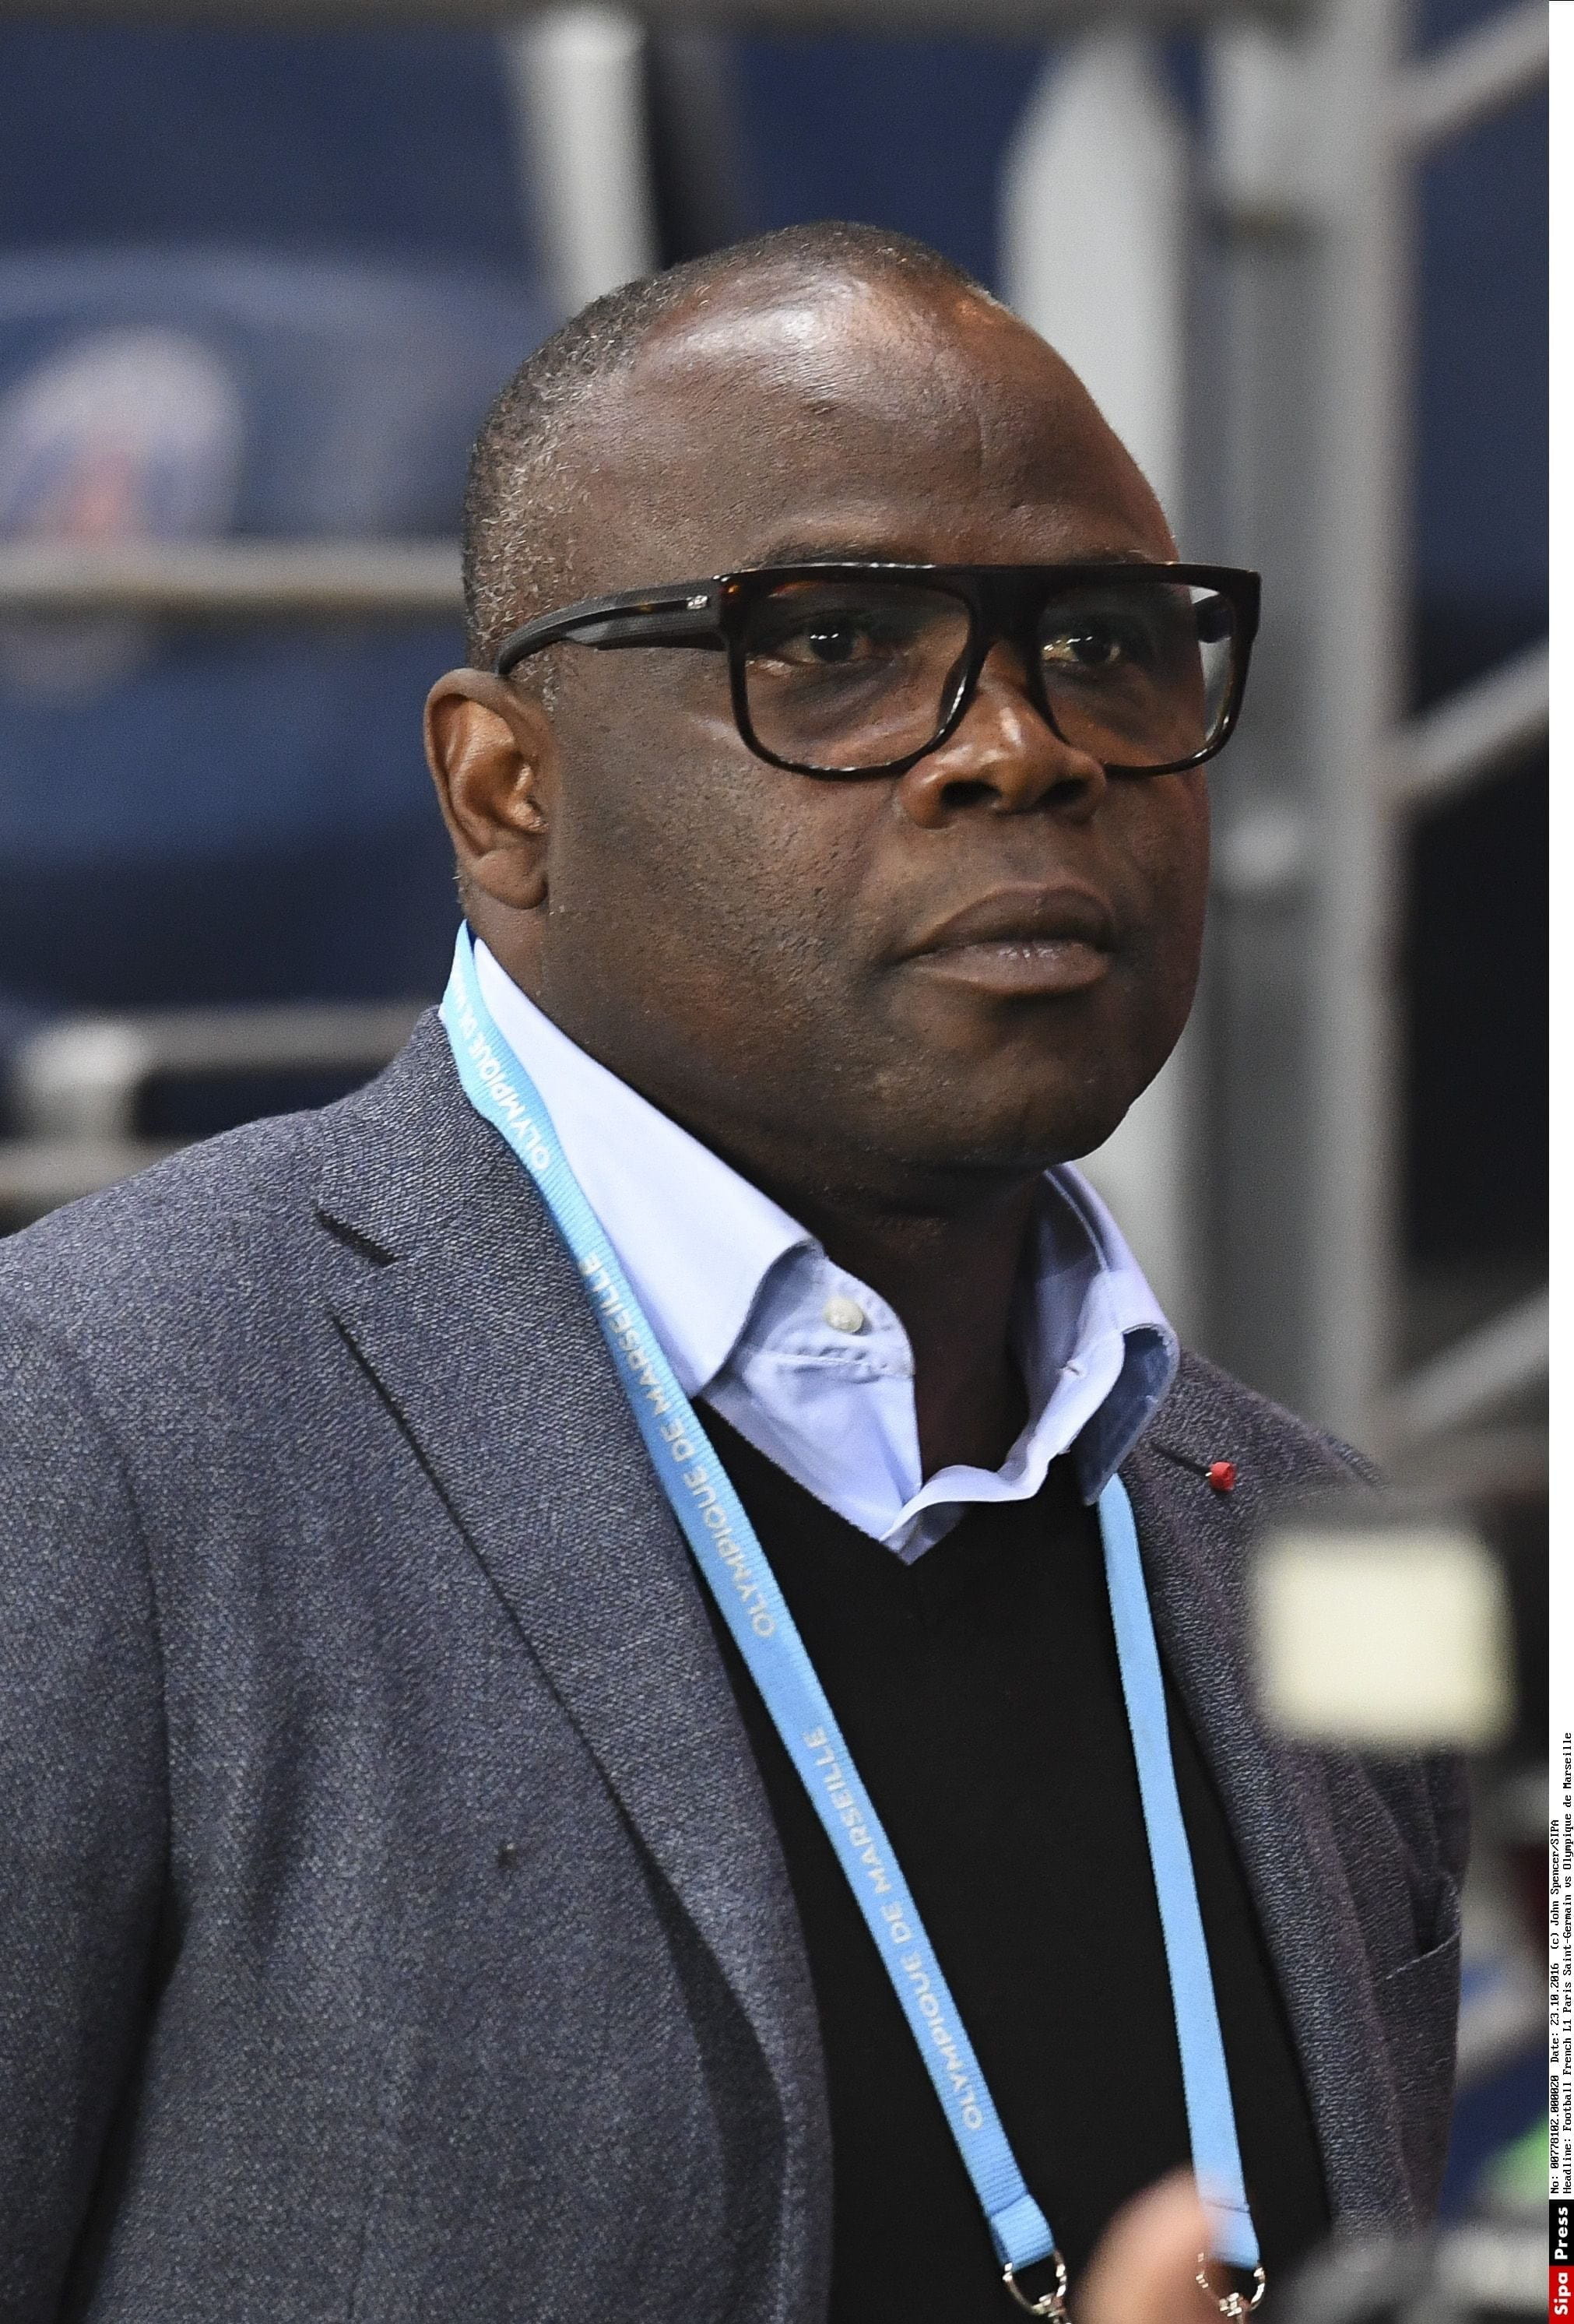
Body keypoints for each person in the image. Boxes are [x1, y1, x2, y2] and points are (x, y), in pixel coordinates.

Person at [0, 223, 1463, 2324]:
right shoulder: (92, 1435)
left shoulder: (1312, 1533)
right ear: (507, 793)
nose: (1025, 745)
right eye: (835, 645)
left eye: (1107, 643)